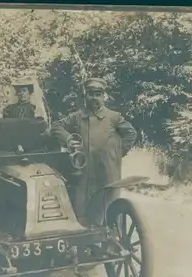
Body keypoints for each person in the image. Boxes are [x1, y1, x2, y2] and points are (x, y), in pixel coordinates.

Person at [50, 77, 137, 226]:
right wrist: (69, 139)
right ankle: (83, 243)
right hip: (83, 174)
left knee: (109, 210)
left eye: (98, 94)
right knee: (81, 212)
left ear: (104, 96)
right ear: (85, 96)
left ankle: (113, 243)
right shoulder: (77, 117)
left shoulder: (113, 117)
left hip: (107, 173)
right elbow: (56, 126)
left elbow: (131, 134)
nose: (94, 98)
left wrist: (116, 154)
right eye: (90, 94)